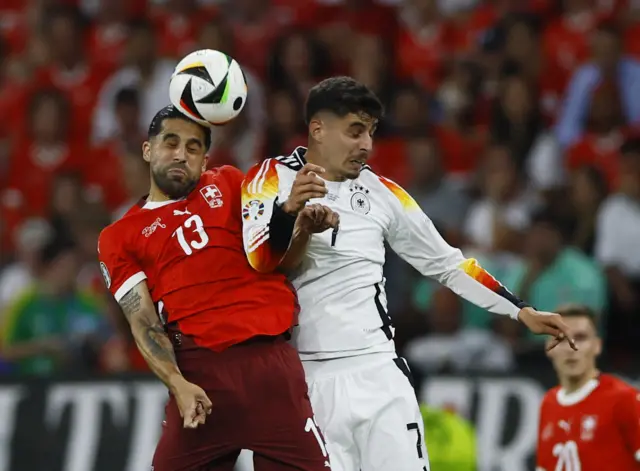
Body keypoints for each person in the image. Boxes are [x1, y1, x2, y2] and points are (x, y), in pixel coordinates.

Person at [240, 76, 577, 471]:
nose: (366, 144)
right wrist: (288, 214)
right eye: (355, 131)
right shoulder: (267, 179)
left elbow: (448, 263)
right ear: (318, 128)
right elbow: (257, 259)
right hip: (308, 379)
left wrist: (520, 311)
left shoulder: (383, 192)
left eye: (371, 132)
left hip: (380, 373)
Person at [97, 105, 331, 471]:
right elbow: (142, 320)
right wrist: (178, 384)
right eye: (170, 142)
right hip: (198, 376)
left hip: (270, 368)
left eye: (193, 148)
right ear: (147, 150)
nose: (180, 154)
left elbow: (280, 261)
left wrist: (298, 226)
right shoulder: (119, 237)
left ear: (205, 160)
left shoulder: (230, 183)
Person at [536, 304, 640, 471]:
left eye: (581, 337)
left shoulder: (624, 399)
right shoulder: (549, 402)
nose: (572, 347)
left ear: (597, 345)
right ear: (548, 348)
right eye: (561, 338)